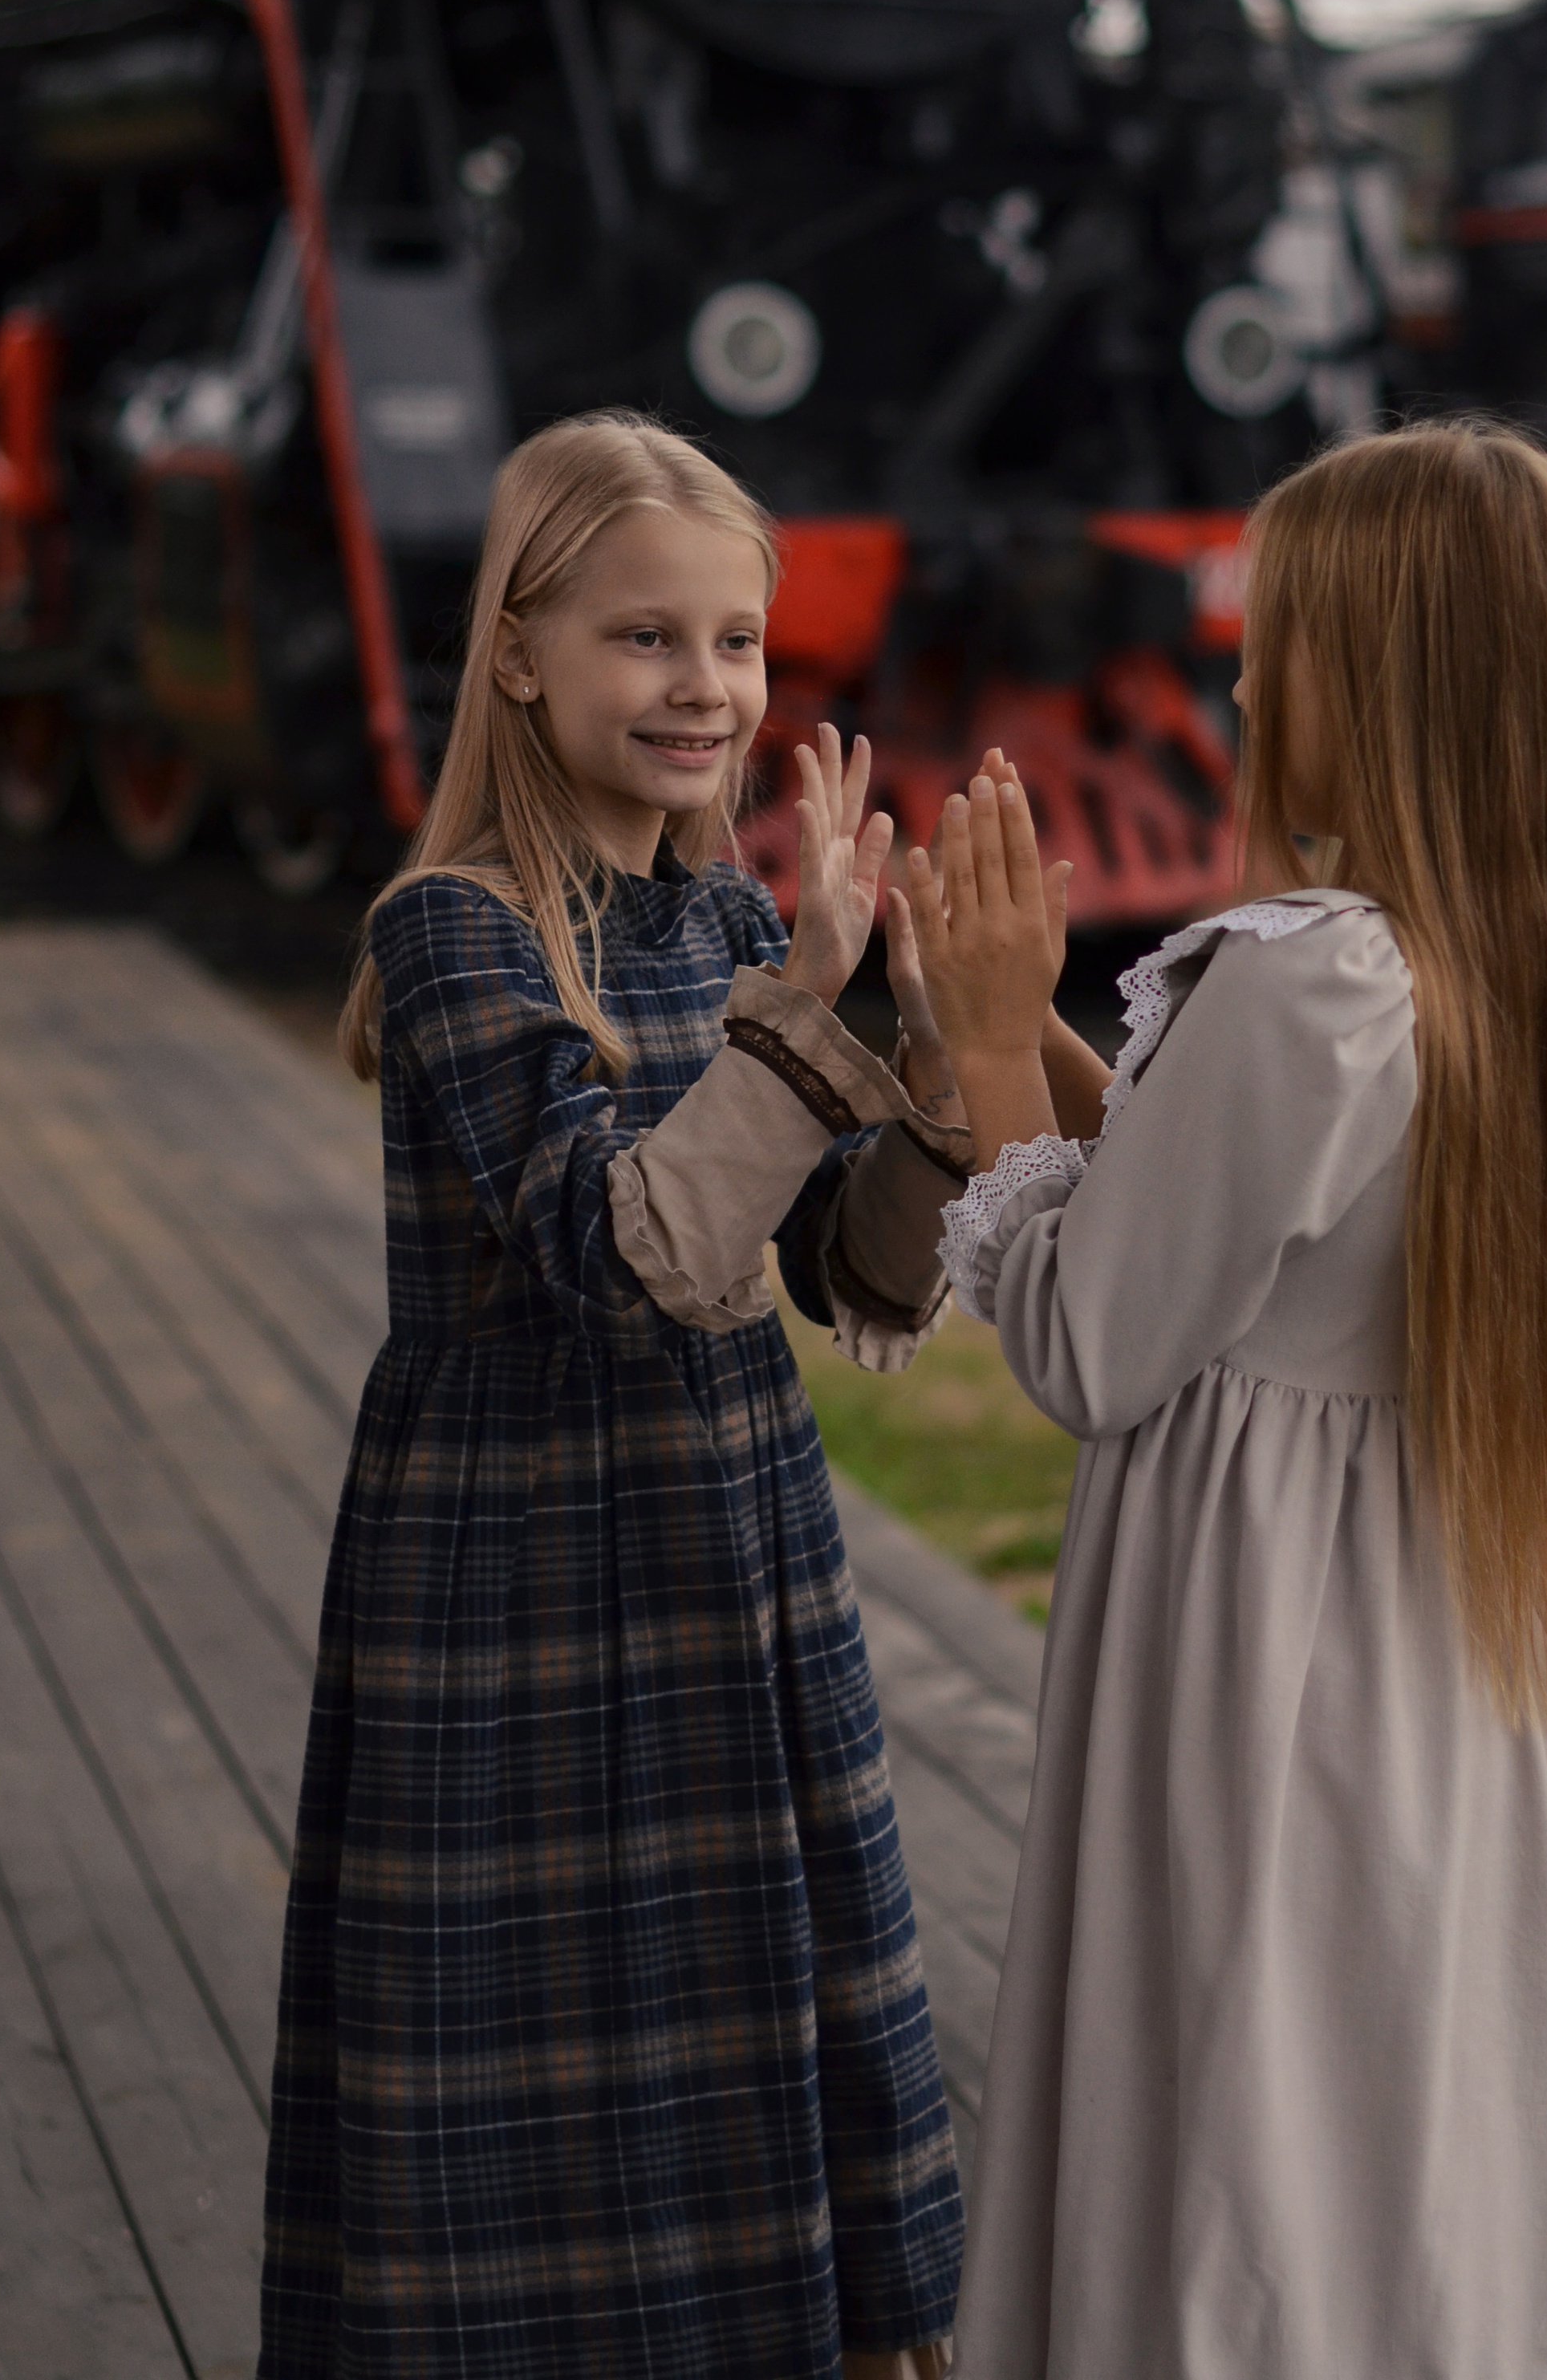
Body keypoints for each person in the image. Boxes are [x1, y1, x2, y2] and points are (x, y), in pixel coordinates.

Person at [895, 422, 1547, 2380]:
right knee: (1400, 2130)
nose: (1235, 676)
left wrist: (978, 1041)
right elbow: (1206, 1193)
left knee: (1253, 2124)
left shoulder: (1310, 979)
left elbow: (1087, 1334)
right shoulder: (1490, 962)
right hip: (1426, 1664)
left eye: (1276, 634)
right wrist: (1035, 1029)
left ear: (1379, 676)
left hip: (1268, 1680)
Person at [261, 410, 968, 2380]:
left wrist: (929, 1057)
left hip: (728, 1554)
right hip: (517, 1585)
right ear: (517, 652)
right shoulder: (451, 934)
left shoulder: (730, 924)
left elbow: (851, 1271)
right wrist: (808, 1011)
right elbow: (636, 1244)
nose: (705, 687)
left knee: (754, 2029)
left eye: (736, 642)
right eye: (645, 637)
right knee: (530, 2096)